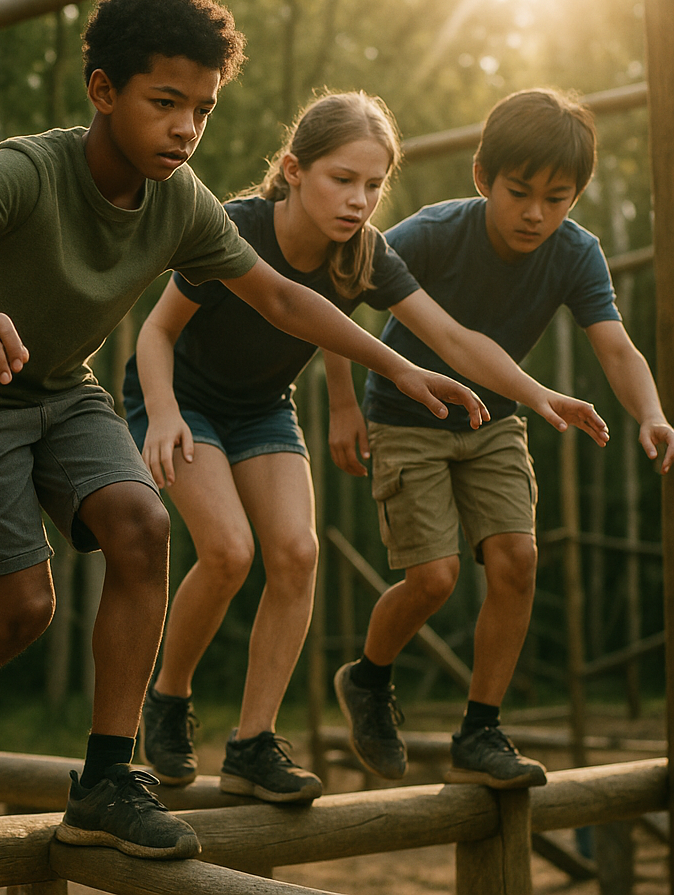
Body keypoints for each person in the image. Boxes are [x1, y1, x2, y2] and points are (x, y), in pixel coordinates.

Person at [0, 0, 491, 861]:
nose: (186, 129)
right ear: (104, 91)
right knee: (23, 609)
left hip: (61, 387)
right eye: (165, 103)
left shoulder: (181, 200)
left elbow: (281, 298)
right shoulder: (31, 167)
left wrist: (401, 365)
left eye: (201, 109)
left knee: (142, 526)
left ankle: (108, 777)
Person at [123, 91, 608, 803]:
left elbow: (450, 337)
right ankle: (168, 699)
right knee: (228, 551)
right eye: (341, 180)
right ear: (293, 169)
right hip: (181, 400)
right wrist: (162, 414)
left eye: (374, 185)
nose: (359, 200)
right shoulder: (235, 228)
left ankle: (253, 743)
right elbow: (156, 331)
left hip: (260, 411)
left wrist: (537, 394)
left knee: (297, 553)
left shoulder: (365, 255)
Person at [331, 88, 673, 790]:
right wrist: (342, 405)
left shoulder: (576, 254)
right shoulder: (433, 233)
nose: (537, 214)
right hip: (407, 415)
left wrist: (651, 413)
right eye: (521, 193)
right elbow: (332, 302)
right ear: (484, 176)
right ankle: (368, 679)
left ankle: (481, 730)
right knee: (433, 578)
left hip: (497, 418)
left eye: (558, 198)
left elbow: (615, 348)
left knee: (517, 560)